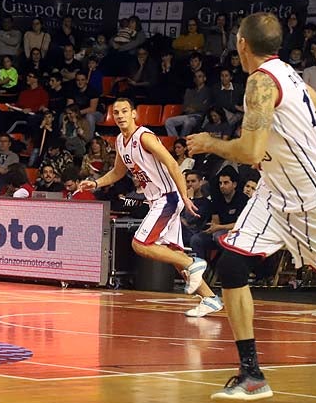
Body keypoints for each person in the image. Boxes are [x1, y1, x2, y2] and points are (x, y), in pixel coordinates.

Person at [187, 11, 316, 400]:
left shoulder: (260, 82)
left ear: (241, 44)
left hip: (313, 197)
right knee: (232, 265)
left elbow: (250, 151)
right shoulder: (290, 73)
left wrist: (209, 143)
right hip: (275, 191)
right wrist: (283, 153)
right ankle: (251, 374)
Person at [78, 98, 223, 318]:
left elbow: (172, 163)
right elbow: (117, 172)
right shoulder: (120, 141)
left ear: (134, 114)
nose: (120, 115)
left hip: (167, 197)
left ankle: (193, 262)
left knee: (140, 244)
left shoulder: (144, 136)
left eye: (124, 111)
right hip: (157, 200)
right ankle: (210, 298)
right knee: (173, 254)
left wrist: (184, 196)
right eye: (116, 112)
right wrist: (96, 183)